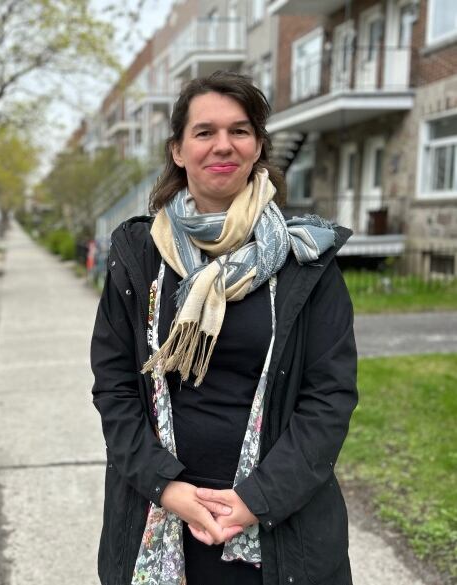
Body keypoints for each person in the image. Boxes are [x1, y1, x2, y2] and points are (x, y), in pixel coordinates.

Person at [90, 70, 358, 585]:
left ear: (258, 146)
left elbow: (330, 397)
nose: (223, 145)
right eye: (204, 131)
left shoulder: (307, 261)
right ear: (178, 150)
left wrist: (255, 501)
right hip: (160, 509)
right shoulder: (139, 258)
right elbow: (115, 387)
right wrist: (167, 489)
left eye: (240, 131)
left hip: (278, 517)